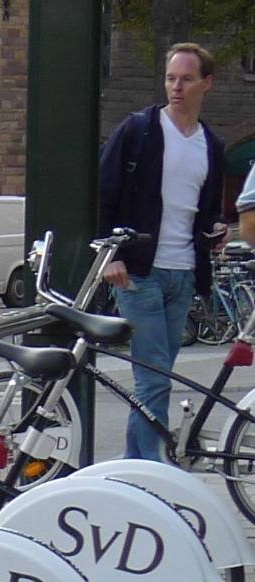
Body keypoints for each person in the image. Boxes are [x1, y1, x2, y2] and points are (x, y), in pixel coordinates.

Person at [99, 41, 229, 461]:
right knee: (153, 379)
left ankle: (134, 468)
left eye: (187, 79)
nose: (176, 87)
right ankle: (148, 470)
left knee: (157, 376)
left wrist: (216, 228)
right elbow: (102, 192)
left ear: (206, 84)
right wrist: (111, 256)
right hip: (139, 272)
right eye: (171, 78)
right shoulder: (139, 130)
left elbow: (204, 210)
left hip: (184, 272)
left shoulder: (211, 144)